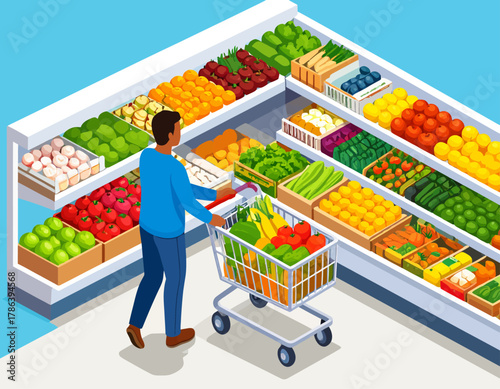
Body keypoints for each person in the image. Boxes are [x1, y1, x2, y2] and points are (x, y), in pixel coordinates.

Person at [126, 110, 234, 349]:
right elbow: (186, 201)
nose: (180, 131)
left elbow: (183, 189)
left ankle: (135, 324)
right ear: (170, 134)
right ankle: (173, 334)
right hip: (169, 232)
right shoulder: (175, 167)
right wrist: (211, 218)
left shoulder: (146, 157)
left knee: (152, 276)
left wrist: (215, 194)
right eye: (178, 128)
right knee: (175, 279)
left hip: (147, 227)